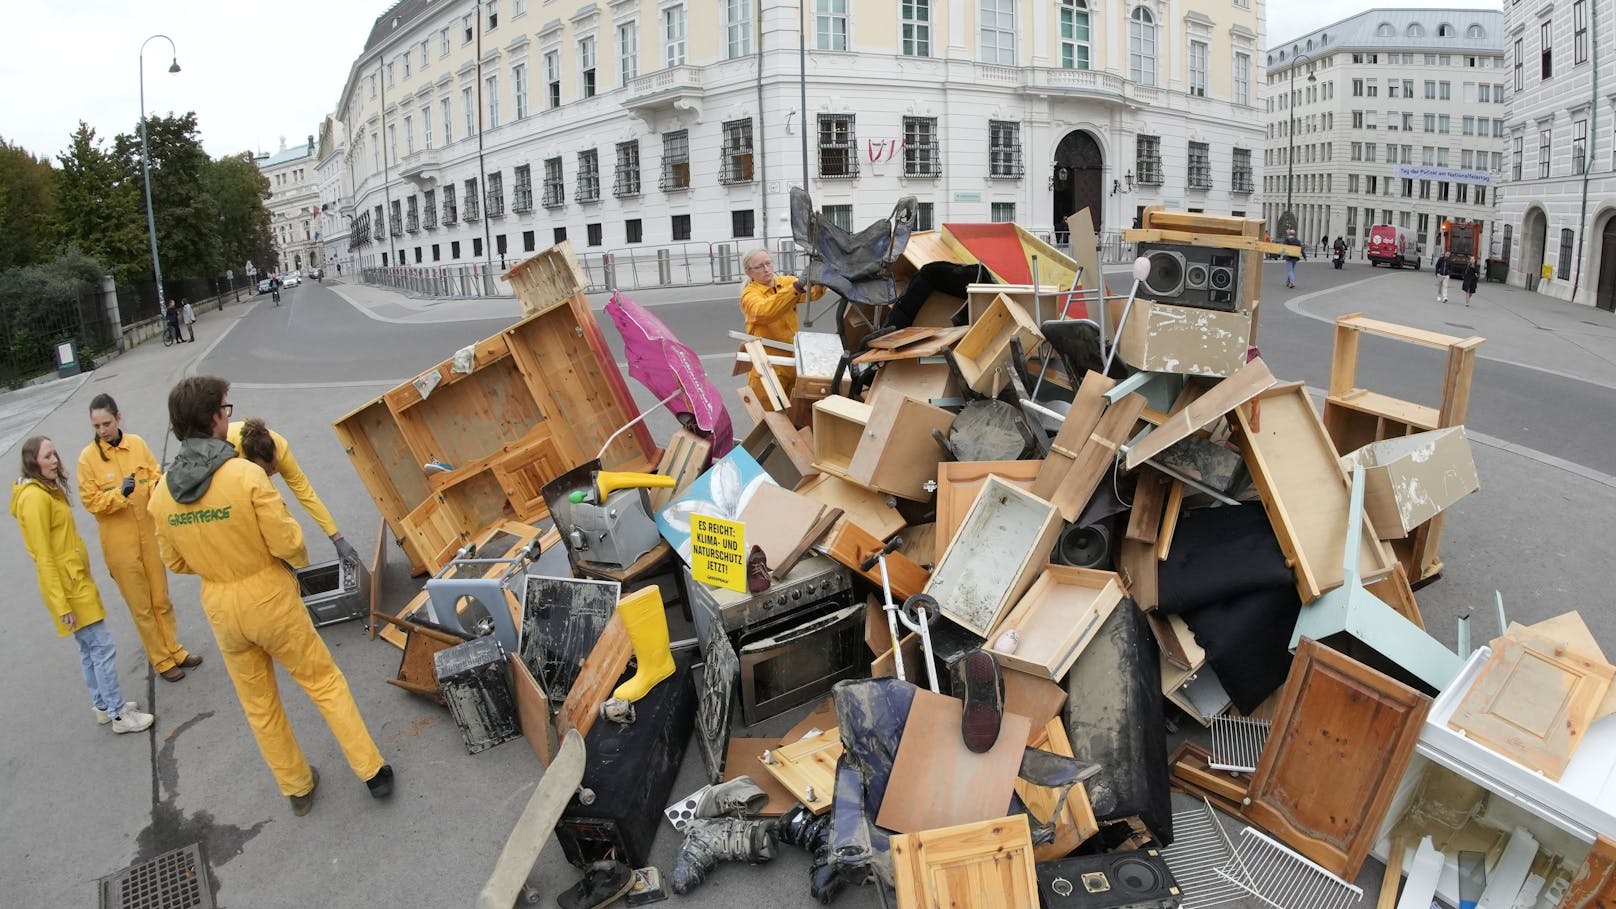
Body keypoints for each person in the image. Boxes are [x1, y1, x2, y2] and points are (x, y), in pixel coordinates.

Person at [148, 376, 393, 816]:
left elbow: (176, 563)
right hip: (268, 597)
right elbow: (289, 545)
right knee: (323, 682)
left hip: (221, 607)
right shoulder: (245, 475)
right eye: (225, 408)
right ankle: (372, 771)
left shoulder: (161, 494)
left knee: (260, 706)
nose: (229, 415)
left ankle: (297, 787)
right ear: (214, 419)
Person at [11, 436, 157, 735]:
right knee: (102, 647)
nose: (54, 460)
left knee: (89, 649)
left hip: (73, 581)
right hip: (70, 587)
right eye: (47, 456)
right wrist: (61, 604)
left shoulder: (43, 491)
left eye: (54, 454)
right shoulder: (35, 498)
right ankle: (118, 714)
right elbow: (43, 556)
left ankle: (103, 706)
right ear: (32, 462)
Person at [77, 395, 204, 682]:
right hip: (119, 544)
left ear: (118, 417)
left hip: (149, 535)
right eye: (96, 426)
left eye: (106, 423)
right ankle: (161, 660)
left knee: (161, 599)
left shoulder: (137, 445)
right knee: (142, 606)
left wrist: (161, 485)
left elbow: (155, 477)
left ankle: (175, 649)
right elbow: (91, 501)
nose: (102, 431)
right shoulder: (88, 459)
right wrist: (118, 495)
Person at [225, 419, 359, 564]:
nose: (270, 473)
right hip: (229, 479)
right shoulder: (230, 451)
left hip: (250, 470)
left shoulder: (281, 449)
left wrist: (337, 538)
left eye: (273, 467)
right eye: (266, 471)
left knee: (289, 539)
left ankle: (301, 574)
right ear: (250, 462)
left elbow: (305, 493)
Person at [738, 249, 824, 407]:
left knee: (794, 417)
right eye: (760, 266)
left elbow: (813, 293)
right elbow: (765, 311)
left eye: (768, 263)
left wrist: (822, 277)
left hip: (792, 363)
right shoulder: (749, 295)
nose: (766, 269)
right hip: (767, 368)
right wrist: (795, 288)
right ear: (749, 272)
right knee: (773, 422)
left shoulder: (784, 283)